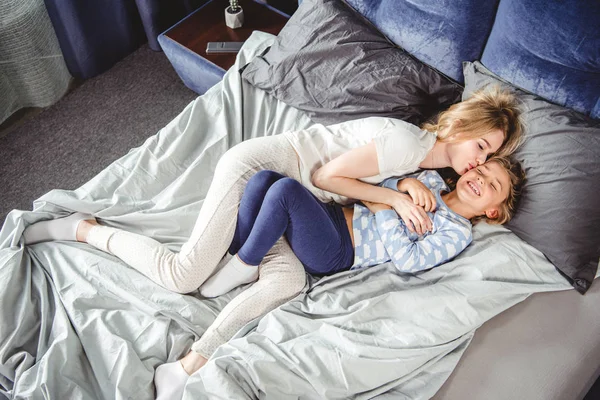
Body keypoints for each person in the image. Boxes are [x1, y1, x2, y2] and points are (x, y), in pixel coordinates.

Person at [22, 86, 522, 399]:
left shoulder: (432, 179)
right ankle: (84, 230)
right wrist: (398, 196)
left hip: (322, 231)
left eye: (490, 161)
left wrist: (399, 195)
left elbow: (404, 240)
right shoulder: (413, 152)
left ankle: (200, 342)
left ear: (494, 210)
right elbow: (342, 178)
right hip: (274, 174)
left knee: (282, 256)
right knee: (191, 271)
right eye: (481, 148)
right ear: (460, 126)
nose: (479, 165)